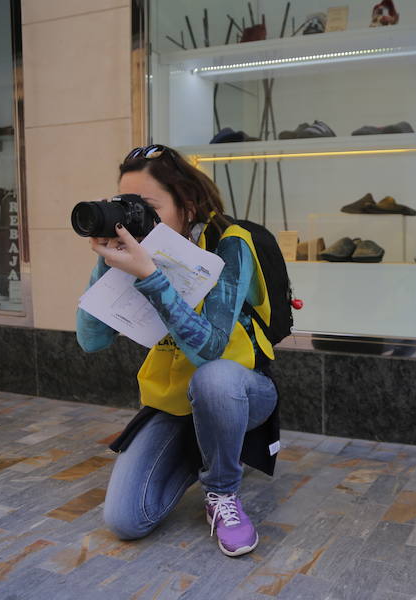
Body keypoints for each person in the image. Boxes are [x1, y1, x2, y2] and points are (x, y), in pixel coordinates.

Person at [76, 144, 279, 558]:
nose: (133, 216)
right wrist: (106, 263)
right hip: (173, 404)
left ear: (186, 204)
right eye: (124, 204)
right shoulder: (138, 253)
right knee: (125, 521)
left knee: (214, 379)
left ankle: (221, 491)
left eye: (144, 206)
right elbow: (91, 340)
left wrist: (150, 277)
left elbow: (210, 351)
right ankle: (208, 448)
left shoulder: (229, 243)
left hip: (240, 389)